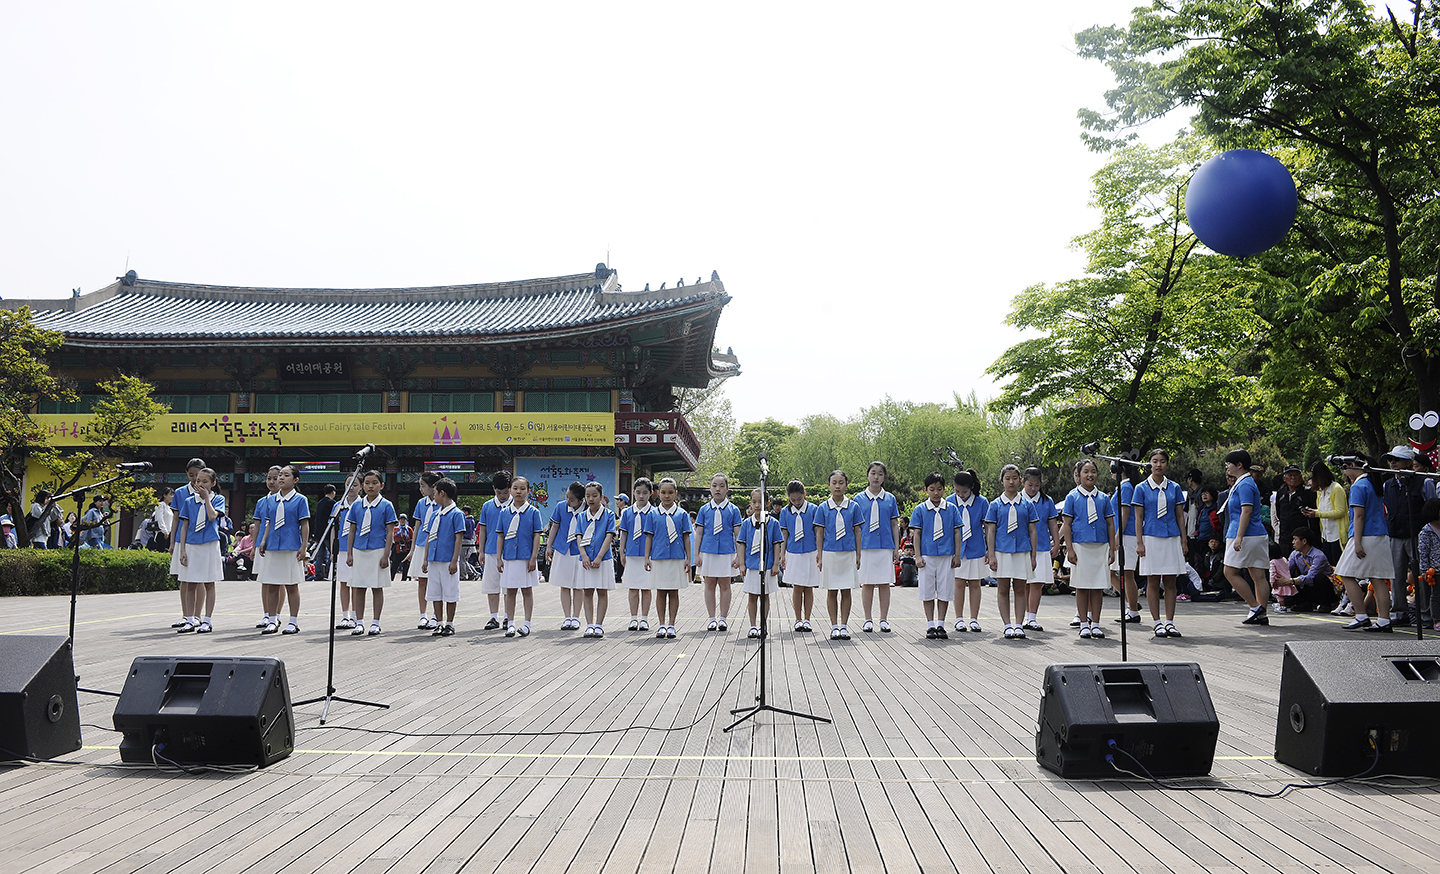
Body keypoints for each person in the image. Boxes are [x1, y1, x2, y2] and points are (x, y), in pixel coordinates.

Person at [1334, 456, 1397, 631]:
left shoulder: (1359, 485)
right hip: (1380, 535)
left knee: (1345, 573)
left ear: (1354, 465)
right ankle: (1384, 619)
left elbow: (1359, 516)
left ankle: (1361, 615)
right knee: (1377, 579)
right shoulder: (1373, 483)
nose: (1344, 471)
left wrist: (1357, 542)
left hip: (1365, 536)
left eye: (1345, 466)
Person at [1133, 449, 1189, 639]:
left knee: (1171, 581)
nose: (1159, 465)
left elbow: (1180, 515)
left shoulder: (1174, 487)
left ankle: (1170, 622)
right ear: (1150, 464)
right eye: (1155, 461)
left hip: (1172, 536)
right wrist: (1139, 541)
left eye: (1163, 461)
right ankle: (1157, 623)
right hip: (1150, 537)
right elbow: (1138, 516)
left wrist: (1183, 539)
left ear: (1167, 464)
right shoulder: (1141, 488)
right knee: (1153, 581)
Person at [1061, 458, 1116, 639]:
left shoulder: (1103, 498)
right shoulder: (1072, 497)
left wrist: (1112, 547)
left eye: (1093, 471)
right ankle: (1084, 623)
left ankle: (1097, 623)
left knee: (1098, 586)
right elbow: (1067, 525)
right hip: (1080, 546)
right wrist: (1069, 549)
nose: (1090, 475)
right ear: (1079, 475)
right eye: (1086, 471)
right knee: (1082, 586)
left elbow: (1110, 524)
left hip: (1100, 546)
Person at [985, 464, 1038, 640]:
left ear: (1020, 480)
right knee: (1003, 588)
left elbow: (1032, 531)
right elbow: (990, 531)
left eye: (1015, 478)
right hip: (1002, 551)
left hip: (1022, 550)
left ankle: (1019, 624)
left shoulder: (1028, 505)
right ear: (1002, 481)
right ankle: (1007, 624)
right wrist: (991, 554)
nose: (1011, 482)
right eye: (1007, 478)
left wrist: (1033, 555)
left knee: (1021, 588)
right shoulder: (995, 505)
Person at [256, 464, 310, 635]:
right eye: (280, 475)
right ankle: (272, 620)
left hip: (290, 546)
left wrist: (303, 547)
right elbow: (269, 522)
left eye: (285, 475)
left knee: (291, 585)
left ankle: (293, 621)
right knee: (272, 585)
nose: (280, 478)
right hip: (272, 546)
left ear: (295, 480)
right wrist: (263, 541)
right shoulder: (270, 500)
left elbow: (304, 524)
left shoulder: (301, 500)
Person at [908, 472, 962, 639]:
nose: (936, 493)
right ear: (926, 490)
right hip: (927, 556)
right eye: (932, 489)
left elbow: (957, 533)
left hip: (946, 555)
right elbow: (916, 534)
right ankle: (930, 624)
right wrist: (917, 556)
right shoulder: (920, 509)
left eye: (939, 489)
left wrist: (957, 555)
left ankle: (941, 624)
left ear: (944, 490)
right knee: (927, 591)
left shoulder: (951, 509)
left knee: (945, 591)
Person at [345, 469, 397, 636]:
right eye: (367, 483)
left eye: (374, 483)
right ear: (362, 486)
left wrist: (386, 554)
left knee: (376, 586)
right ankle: (359, 622)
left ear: (381, 485)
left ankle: (375, 622)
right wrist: (349, 553)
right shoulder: (356, 506)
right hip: (359, 549)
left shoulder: (386, 505)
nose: (370, 486)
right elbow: (352, 530)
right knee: (358, 587)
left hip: (377, 549)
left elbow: (390, 531)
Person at [175, 468, 226, 634]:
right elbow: (184, 527)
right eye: (198, 481)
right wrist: (182, 549)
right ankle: (189, 619)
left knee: (209, 583)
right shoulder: (189, 502)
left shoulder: (218, 499)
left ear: (213, 483)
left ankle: (207, 620)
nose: (201, 484)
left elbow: (212, 517)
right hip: (191, 544)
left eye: (205, 481)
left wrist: (206, 499)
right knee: (190, 583)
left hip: (209, 544)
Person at [852, 461, 900, 633]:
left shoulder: (890, 498)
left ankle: (884, 619)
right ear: (867, 475)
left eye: (880, 474)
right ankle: (867, 619)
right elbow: (855, 527)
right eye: (873, 473)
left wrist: (896, 547)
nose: (876, 477)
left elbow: (894, 524)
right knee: (868, 584)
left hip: (885, 546)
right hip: (865, 546)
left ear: (884, 477)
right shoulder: (858, 499)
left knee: (884, 583)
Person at [814, 470, 862, 640]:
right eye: (834, 482)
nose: (837, 486)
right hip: (830, 552)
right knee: (832, 591)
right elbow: (819, 532)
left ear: (846, 485)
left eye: (841, 482)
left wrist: (858, 553)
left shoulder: (854, 506)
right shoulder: (823, 507)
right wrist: (819, 555)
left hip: (848, 552)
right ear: (829, 485)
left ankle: (844, 626)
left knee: (846, 590)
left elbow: (857, 531)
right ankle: (834, 626)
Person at [1380, 445, 1426, 624]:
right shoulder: (1387, 485)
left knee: (1421, 575)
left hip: (1417, 534)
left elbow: (1430, 508)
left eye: (1396, 459)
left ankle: (1425, 613)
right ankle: (1400, 612)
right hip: (1395, 535)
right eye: (1390, 459)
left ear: (1408, 462)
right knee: (1397, 575)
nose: (1392, 463)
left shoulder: (1423, 481)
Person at [644, 477, 693, 639]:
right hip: (658, 557)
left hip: (677, 557)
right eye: (663, 492)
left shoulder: (682, 514)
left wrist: (688, 558)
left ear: (676, 494)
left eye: (670, 492)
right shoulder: (652, 514)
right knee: (660, 592)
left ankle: (671, 624)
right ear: (658, 494)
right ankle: (661, 624)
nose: (667, 496)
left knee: (673, 591)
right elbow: (649, 537)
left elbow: (686, 537)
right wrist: (646, 557)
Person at [497, 475, 543, 637]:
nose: (519, 492)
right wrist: (498, 558)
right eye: (515, 488)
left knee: (526, 590)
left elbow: (536, 535)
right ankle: (510, 623)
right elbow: (500, 536)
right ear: (510, 491)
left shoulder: (533, 512)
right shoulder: (504, 513)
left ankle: (527, 623)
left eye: (522, 489)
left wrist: (533, 557)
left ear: (528, 491)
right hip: (509, 557)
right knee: (510, 590)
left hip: (525, 557)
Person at [695, 474, 743, 632]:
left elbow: (738, 534)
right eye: (714, 485)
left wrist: (739, 555)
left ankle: (723, 618)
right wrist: (696, 554)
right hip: (707, 551)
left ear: (727, 489)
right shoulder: (704, 509)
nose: (718, 489)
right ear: (710, 488)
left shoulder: (733, 510)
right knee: (709, 584)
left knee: (725, 584)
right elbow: (699, 533)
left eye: (722, 486)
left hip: (726, 551)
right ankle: (711, 618)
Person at [420, 477, 467, 637]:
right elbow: (429, 538)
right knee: (435, 592)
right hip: (434, 559)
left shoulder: (456, 514)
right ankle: (439, 622)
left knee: (450, 592)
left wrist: (454, 560)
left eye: (435, 493)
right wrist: (426, 558)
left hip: (448, 560)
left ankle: (449, 623)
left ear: (442, 493)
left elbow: (459, 539)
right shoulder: (434, 514)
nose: (433, 496)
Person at [738, 488, 783, 639]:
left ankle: (763, 624)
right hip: (751, 565)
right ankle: (752, 626)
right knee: (752, 596)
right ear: (750, 503)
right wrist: (742, 563)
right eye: (755, 502)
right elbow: (742, 544)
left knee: (765, 596)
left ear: (768, 503)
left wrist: (776, 564)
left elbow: (777, 544)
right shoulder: (746, 524)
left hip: (768, 565)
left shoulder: (773, 523)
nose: (758, 505)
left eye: (761, 502)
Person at [573, 482, 616, 638]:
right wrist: (584, 555)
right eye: (588, 496)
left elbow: (609, 536)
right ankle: (589, 624)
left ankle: (599, 625)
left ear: (601, 496)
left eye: (594, 495)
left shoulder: (609, 515)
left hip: (602, 559)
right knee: (588, 591)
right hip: (585, 560)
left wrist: (599, 557)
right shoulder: (581, 516)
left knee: (602, 591)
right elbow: (579, 536)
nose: (591, 499)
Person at [1020, 467, 1061, 631]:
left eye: (1036, 485)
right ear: (1023, 482)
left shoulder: (1047, 501)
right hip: (1021, 547)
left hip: (1042, 546)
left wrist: (1057, 542)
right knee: (1023, 584)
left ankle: (1032, 618)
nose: (1033, 488)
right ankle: (1021, 617)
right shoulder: (1017, 499)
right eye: (1030, 485)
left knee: (1036, 583)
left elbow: (1052, 523)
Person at [950, 470, 990, 633]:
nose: (961, 495)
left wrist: (989, 549)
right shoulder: (950, 502)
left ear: (972, 487)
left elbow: (988, 526)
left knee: (975, 583)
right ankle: (959, 618)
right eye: (957, 491)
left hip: (976, 548)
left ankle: (974, 619)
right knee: (958, 583)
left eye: (964, 492)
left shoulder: (982, 502)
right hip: (956, 549)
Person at [779, 479, 820, 632]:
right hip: (793, 552)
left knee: (808, 587)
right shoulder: (785, 512)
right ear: (788, 497)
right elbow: (784, 533)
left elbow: (817, 532)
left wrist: (819, 553)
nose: (796, 502)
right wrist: (782, 554)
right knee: (797, 587)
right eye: (793, 499)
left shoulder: (814, 509)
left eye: (799, 499)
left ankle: (807, 619)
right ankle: (797, 619)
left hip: (810, 551)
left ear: (805, 494)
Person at [545, 481, 586, 630]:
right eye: (567, 497)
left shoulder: (587, 509)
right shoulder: (561, 507)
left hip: (580, 550)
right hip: (563, 549)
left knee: (578, 585)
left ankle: (576, 617)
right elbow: (554, 526)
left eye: (572, 499)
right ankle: (567, 617)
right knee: (564, 584)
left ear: (581, 500)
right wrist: (549, 546)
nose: (568, 501)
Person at [476, 471, 513, 631]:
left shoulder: (515, 506)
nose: (502, 496)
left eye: (505, 492)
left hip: (510, 552)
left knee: (508, 587)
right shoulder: (487, 506)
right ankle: (493, 617)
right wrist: (481, 550)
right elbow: (483, 530)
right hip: (491, 550)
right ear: (493, 489)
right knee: (492, 585)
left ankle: (507, 617)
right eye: (499, 493)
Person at [618, 478, 656, 631]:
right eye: (638, 492)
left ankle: (645, 619)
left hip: (649, 555)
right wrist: (622, 551)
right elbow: (624, 533)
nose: (641, 496)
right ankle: (633, 618)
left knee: (646, 588)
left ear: (651, 494)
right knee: (633, 588)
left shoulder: (654, 512)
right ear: (633, 493)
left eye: (645, 493)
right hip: (632, 553)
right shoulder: (627, 512)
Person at [1111, 464, 1144, 625]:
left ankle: (1133, 610)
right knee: (1112, 573)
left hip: (1127, 536)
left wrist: (1118, 535)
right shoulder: (1123, 487)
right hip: (1123, 535)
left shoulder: (1126, 487)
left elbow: (1125, 513)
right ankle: (1132, 603)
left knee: (1127, 574)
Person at [1301, 460, 1347, 566]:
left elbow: (1340, 511)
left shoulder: (1336, 489)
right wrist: (1312, 511)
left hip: (1337, 535)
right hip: (1326, 535)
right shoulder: (1320, 491)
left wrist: (1317, 514)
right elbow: (1323, 511)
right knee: (1329, 567)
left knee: (1339, 567)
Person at [411, 471, 441, 630]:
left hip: (436, 545)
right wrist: (412, 549)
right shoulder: (421, 503)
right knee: (422, 581)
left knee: (435, 581)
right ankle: (423, 615)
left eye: (423, 486)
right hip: (421, 545)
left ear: (433, 487)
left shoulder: (443, 503)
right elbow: (417, 527)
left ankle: (436, 615)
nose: (421, 489)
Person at [1284, 528, 1335, 613]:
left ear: (1304, 541)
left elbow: (1311, 577)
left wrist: (1290, 581)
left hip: (1321, 587)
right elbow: (1287, 570)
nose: (1293, 542)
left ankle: (1326, 604)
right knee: (1289, 576)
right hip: (1306, 586)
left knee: (1319, 577)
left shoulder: (1318, 556)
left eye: (1295, 539)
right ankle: (1304, 603)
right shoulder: (1295, 554)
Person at [332, 479, 360, 628]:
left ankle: (355, 616)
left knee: (355, 583)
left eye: (355, 484)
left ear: (360, 487)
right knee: (343, 583)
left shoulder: (362, 505)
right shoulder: (338, 506)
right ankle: (345, 615)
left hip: (357, 548)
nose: (351, 488)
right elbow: (333, 528)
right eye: (348, 484)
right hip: (341, 548)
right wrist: (332, 549)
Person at [1272, 464, 1316, 548]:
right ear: (1284, 478)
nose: (1293, 478)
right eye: (1290, 475)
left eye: (1296, 475)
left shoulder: (1307, 493)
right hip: (1284, 536)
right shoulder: (1281, 493)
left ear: (1300, 477)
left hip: (1302, 537)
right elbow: (1278, 512)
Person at [1417, 498, 1440, 631]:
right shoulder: (1426, 532)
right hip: (1435, 570)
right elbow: (1423, 552)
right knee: (1436, 595)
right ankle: (1436, 619)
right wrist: (1424, 570)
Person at [313, 484, 338, 580]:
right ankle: (329, 573)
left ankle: (318, 574)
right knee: (332, 553)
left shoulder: (320, 503)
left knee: (320, 554)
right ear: (333, 492)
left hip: (319, 534)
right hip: (327, 533)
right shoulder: (333, 503)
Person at [1269, 542, 1297, 612]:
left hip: (1279, 580)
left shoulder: (1272, 562)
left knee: (1279, 595)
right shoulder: (1283, 559)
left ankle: (1282, 607)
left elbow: (1272, 573)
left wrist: (1272, 581)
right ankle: (1282, 605)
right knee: (1284, 595)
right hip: (1287, 579)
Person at [390, 513, 412, 581]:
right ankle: (391, 578)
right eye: (401, 519)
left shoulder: (409, 529)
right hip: (397, 549)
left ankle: (404, 579)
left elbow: (412, 538)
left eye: (404, 519)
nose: (402, 521)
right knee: (394, 564)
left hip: (406, 549)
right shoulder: (396, 529)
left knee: (406, 565)